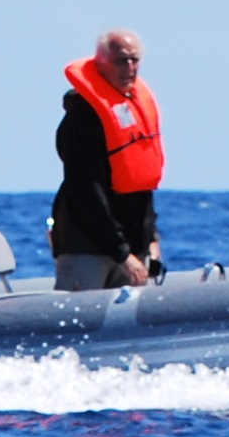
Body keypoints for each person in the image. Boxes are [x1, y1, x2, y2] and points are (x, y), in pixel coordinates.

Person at [50, 28, 163, 289]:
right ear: (100, 65)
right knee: (79, 325)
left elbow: (141, 182)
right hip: (87, 247)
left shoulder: (135, 114)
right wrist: (121, 252)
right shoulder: (81, 120)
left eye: (134, 60)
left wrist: (150, 240)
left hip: (133, 245)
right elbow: (86, 190)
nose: (130, 68)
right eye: (121, 60)